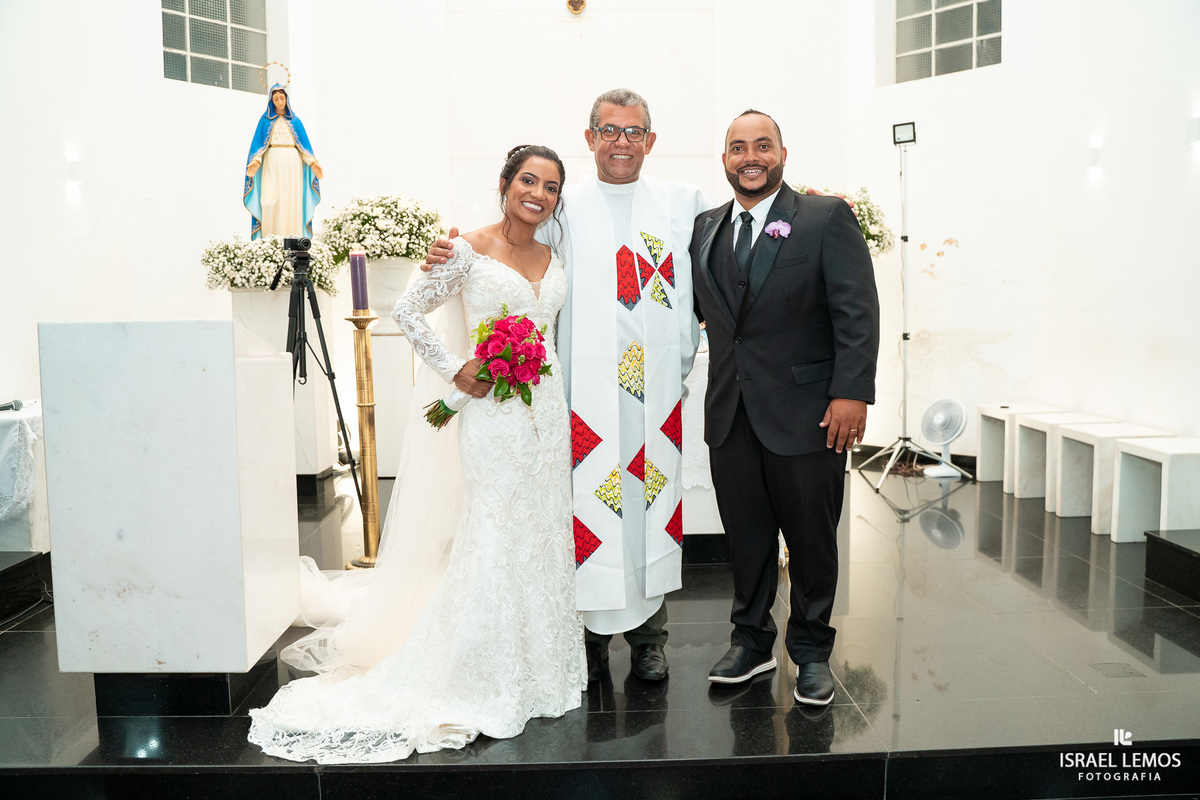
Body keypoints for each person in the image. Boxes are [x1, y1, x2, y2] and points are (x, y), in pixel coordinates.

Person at [248, 145, 585, 763]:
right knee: (492, 529)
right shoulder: (465, 249)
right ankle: (480, 667)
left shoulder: (553, 255)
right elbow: (407, 311)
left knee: (541, 531)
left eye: (551, 187)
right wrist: (458, 369)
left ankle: (540, 666)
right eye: (528, 181)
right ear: (505, 184)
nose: (538, 194)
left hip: (548, 411)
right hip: (491, 414)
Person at [426, 90, 711, 684]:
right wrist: (449, 251)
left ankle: (649, 637)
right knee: (586, 505)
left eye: (634, 132)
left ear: (651, 141)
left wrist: (808, 204)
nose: (621, 142)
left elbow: (734, 245)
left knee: (648, 500)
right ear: (590, 138)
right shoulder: (562, 206)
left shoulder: (684, 203)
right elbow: (508, 251)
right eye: (609, 130)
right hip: (584, 393)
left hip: (653, 391)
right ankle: (584, 636)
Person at [689, 110, 879, 705]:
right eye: (738, 147)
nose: (751, 156)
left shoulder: (824, 217)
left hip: (810, 414)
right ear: (724, 159)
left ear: (782, 153)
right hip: (731, 413)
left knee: (812, 538)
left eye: (762, 146)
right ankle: (750, 642)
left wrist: (852, 393)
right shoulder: (705, 227)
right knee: (746, 538)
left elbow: (856, 312)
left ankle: (813, 650)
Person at [243, 84, 323, 240]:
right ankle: (270, 241)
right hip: (271, 161)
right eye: (276, 99)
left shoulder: (296, 121)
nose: (279, 102)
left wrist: (313, 163)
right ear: (271, 101)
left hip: (292, 163)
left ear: (287, 99)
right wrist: (256, 162)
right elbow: (259, 147)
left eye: (282, 98)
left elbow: (303, 147)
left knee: (291, 201)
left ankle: (292, 240)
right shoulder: (264, 121)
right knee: (268, 201)